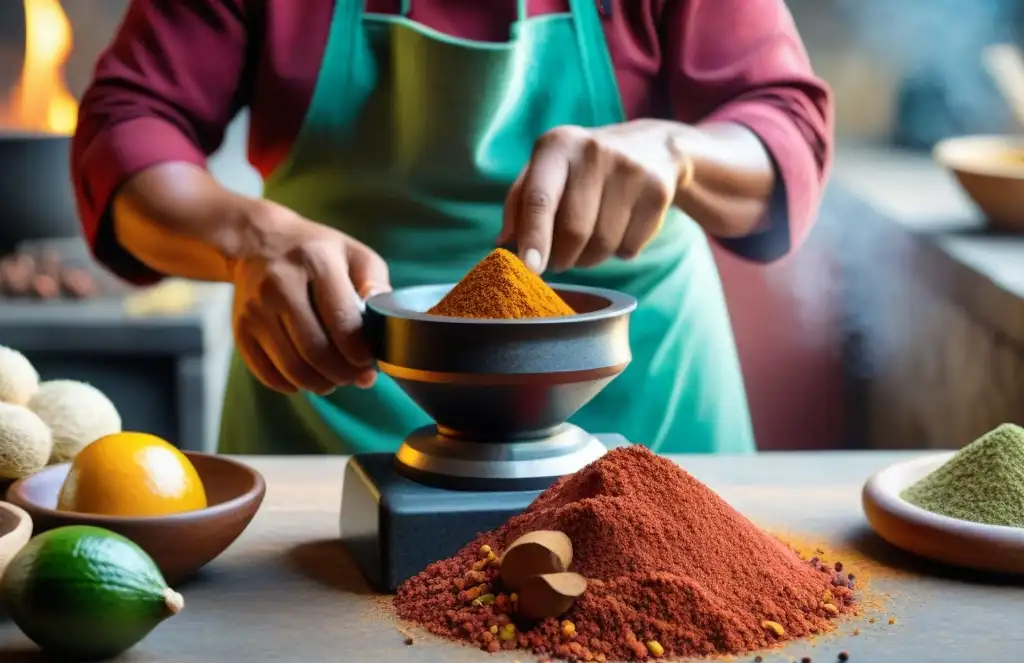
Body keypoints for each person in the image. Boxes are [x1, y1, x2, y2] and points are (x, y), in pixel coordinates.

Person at [72, 0, 832, 456]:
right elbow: (126, 126)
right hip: (337, 399)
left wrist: (681, 152)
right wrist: (246, 241)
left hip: (643, 418)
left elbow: (786, 132)